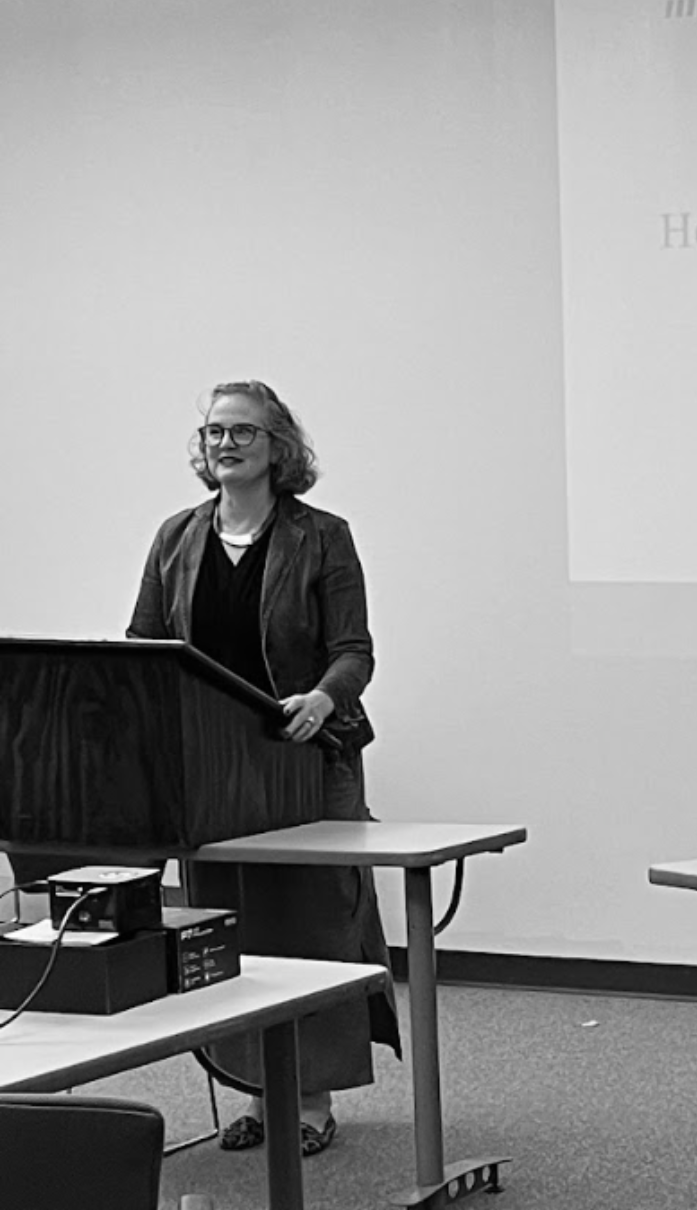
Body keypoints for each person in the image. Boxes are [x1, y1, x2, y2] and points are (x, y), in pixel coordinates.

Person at [127, 380, 400, 1157]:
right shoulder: (177, 535)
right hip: (208, 773)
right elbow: (147, 642)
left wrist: (322, 696)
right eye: (213, 432)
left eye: (242, 431)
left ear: (280, 446)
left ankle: (309, 1101)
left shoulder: (322, 536)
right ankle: (252, 1093)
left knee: (312, 929)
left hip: (305, 764)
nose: (224, 444)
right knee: (227, 931)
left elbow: (355, 650)